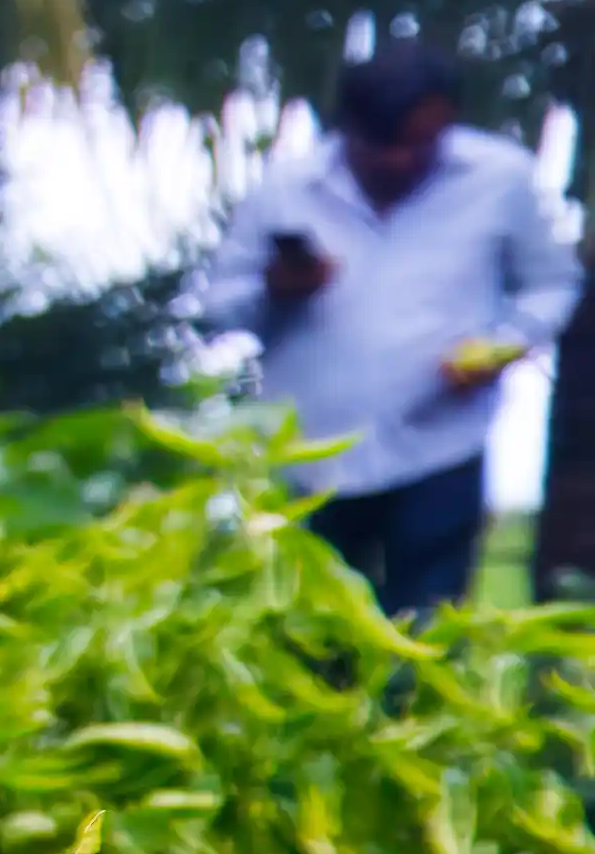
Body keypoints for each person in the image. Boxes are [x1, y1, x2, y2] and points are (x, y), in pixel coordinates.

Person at [199, 36, 585, 621]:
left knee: (426, 629)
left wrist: (504, 345)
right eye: (384, 146)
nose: (401, 160)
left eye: (421, 144)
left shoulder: (500, 179)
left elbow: (553, 283)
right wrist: (276, 290)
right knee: (307, 629)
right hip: (309, 456)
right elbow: (217, 310)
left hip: (438, 442)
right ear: (349, 129)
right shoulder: (287, 189)